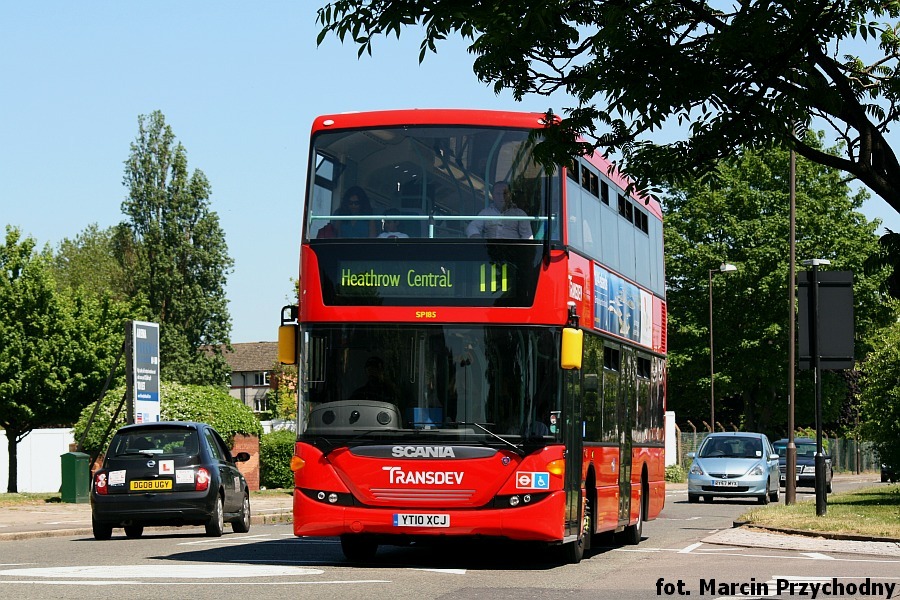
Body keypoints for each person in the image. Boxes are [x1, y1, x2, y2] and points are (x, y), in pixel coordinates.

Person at [466, 180, 534, 239]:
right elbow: (472, 227)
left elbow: (527, 235)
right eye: (498, 193)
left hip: (512, 251)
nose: (501, 196)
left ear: (510, 195)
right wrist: (477, 238)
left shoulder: (520, 214)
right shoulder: (486, 213)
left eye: (505, 193)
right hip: (489, 251)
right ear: (493, 195)